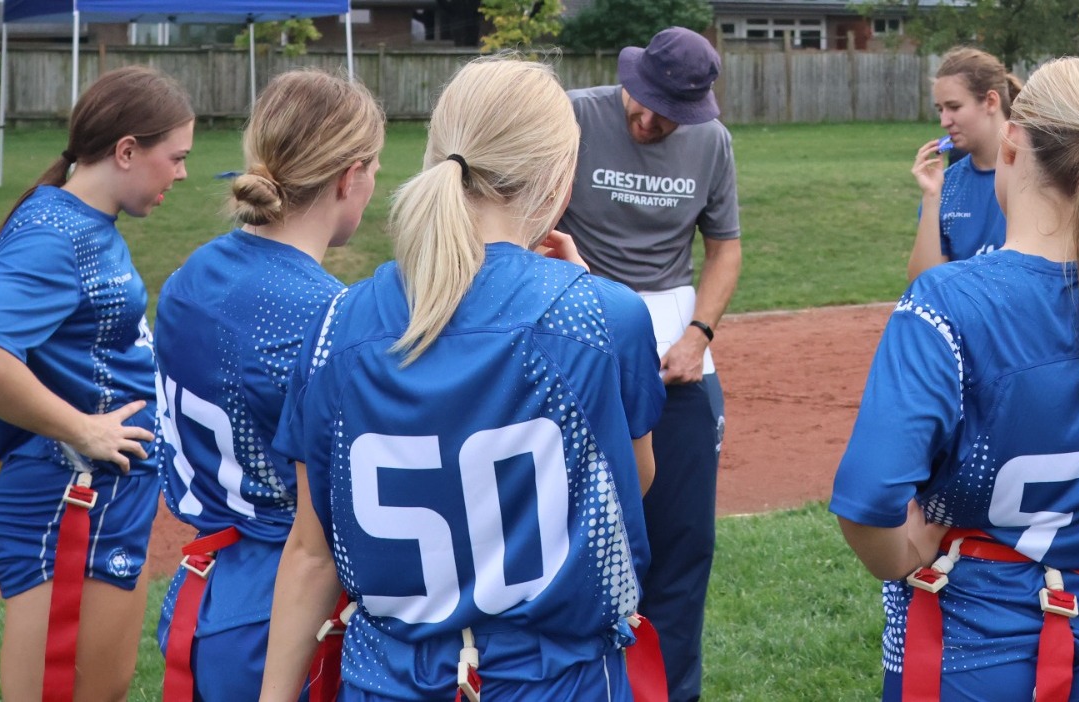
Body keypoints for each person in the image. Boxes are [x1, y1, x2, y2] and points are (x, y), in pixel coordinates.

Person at [258, 56, 666, 701]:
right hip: (554, 681)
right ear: (559, 176)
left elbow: (311, 551)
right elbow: (628, 479)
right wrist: (584, 286)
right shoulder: (602, 318)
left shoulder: (338, 322)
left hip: (387, 678)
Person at [830, 57, 1079, 702]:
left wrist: (908, 551)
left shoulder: (947, 301)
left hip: (976, 645)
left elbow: (867, 501)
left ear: (1015, 139)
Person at [0, 65, 190, 702]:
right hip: (67, 502)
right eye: (176, 157)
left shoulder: (86, 226)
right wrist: (83, 428)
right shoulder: (55, 234)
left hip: (104, 502)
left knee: (99, 692)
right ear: (127, 150)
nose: (182, 174)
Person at [151, 69, 382, 702]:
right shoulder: (326, 318)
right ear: (349, 175)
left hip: (207, 590)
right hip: (292, 609)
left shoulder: (193, 274)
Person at [552, 29, 740, 701]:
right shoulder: (572, 115)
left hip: (674, 350)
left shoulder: (712, 142)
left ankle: (671, 692)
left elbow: (724, 249)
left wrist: (698, 334)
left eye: (670, 113)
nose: (649, 119)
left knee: (683, 543)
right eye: (645, 101)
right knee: (575, 531)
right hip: (578, 333)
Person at [907, 47, 1020, 279]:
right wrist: (930, 199)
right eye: (940, 109)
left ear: (990, 101)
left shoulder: (1041, 173)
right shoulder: (945, 187)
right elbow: (925, 286)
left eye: (954, 107)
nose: (943, 121)